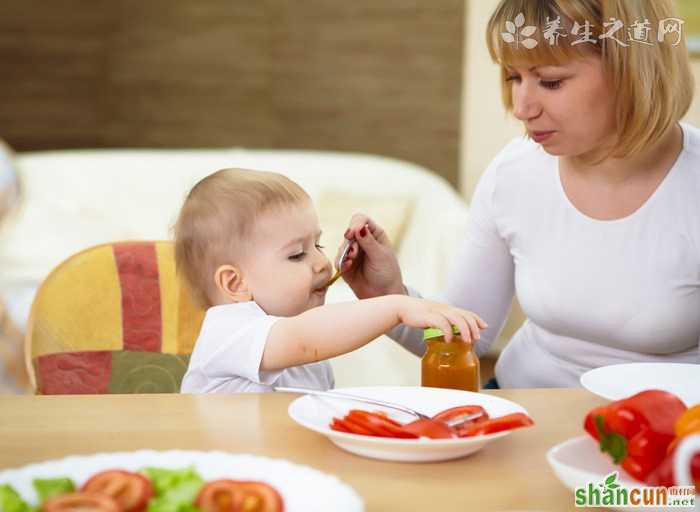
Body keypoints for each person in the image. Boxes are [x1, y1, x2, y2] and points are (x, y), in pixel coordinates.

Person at [337, 0, 700, 388]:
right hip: (520, 411)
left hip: (660, 432)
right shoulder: (515, 172)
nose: (522, 107)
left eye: (551, 81)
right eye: (513, 78)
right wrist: (391, 297)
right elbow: (464, 341)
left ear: (632, 72)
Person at [175, 168, 486, 393]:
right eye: (297, 254)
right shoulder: (228, 330)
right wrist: (397, 307)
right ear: (235, 284)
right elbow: (305, 339)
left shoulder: (310, 360)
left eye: (318, 245)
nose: (323, 263)